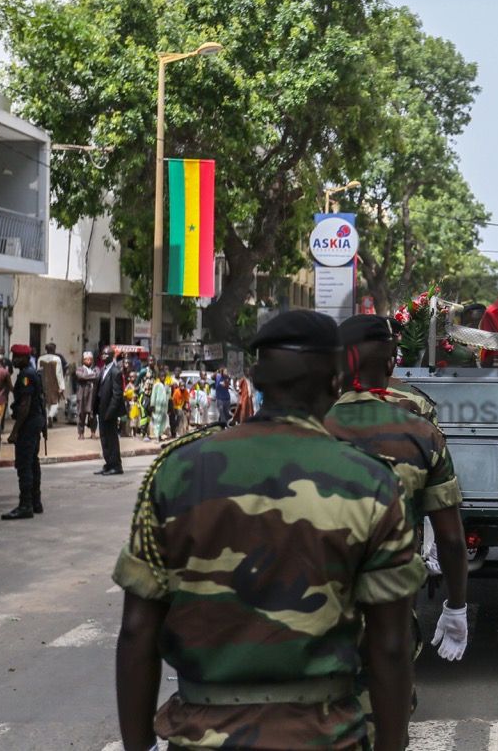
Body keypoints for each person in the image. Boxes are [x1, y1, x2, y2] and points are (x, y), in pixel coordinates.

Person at [112, 310, 421, 751]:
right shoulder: (371, 483)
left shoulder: (177, 473)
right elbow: (390, 645)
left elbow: (137, 630)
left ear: (255, 377)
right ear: (335, 381)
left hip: (202, 736)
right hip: (324, 738)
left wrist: (137, 747)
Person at [324, 314, 469, 679]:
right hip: (394, 595)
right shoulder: (421, 431)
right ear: (391, 362)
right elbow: (451, 538)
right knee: (389, 690)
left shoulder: (308, 425)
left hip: (316, 599)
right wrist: (456, 606)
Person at [3, 345, 46, 520]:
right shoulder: (30, 372)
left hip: (28, 424)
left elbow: (24, 406)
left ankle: (25, 505)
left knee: (25, 464)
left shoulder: (26, 375)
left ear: (25, 358)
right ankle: (36, 502)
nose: (13, 360)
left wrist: (15, 431)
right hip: (35, 422)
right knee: (33, 462)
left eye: (16, 357)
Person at [94, 347, 125, 476]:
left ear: (112, 356)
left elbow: (117, 395)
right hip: (101, 409)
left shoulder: (115, 371)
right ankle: (108, 463)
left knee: (111, 438)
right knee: (104, 438)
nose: (103, 356)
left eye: (106, 354)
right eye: (102, 354)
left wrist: (111, 412)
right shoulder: (103, 370)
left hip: (109, 411)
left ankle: (116, 465)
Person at [38, 342, 66, 429]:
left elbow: (38, 371)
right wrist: (61, 386)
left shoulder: (40, 358)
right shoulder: (57, 359)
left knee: (45, 403)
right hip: (54, 384)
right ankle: (50, 415)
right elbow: (59, 373)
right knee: (55, 402)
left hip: (43, 383)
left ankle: (46, 420)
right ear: (53, 349)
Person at [75, 352, 98, 439]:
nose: (88, 361)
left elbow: (97, 375)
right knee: (81, 414)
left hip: (92, 395)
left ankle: (93, 433)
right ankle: (81, 433)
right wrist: (92, 376)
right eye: (86, 359)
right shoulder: (79, 369)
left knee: (93, 414)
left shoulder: (95, 369)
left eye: (90, 359)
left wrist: (87, 376)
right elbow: (81, 376)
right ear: (83, 360)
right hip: (82, 395)